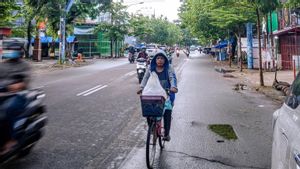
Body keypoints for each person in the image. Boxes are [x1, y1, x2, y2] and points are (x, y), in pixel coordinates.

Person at [138, 50, 178, 141]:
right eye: (158, 58)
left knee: (167, 111)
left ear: (165, 60)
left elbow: (172, 78)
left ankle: (166, 134)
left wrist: (174, 87)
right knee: (148, 109)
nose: (160, 60)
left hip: (167, 93)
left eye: (162, 58)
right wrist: (142, 88)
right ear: (155, 60)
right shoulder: (150, 68)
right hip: (153, 93)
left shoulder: (169, 68)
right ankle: (152, 128)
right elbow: (145, 78)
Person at [0, 40, 31, 155]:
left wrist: (13, 86)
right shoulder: (2, 65)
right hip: (2, 94)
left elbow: (24, 83)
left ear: (20, 51)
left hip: (18, 95)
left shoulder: (24, 65)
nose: (12, 51)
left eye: (15, 50)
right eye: (10, 49)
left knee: (9, 110)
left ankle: (11, 140)